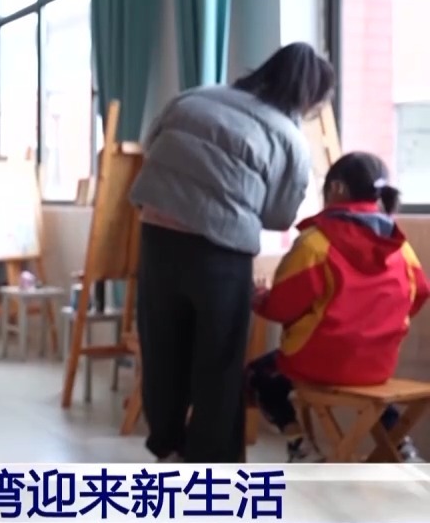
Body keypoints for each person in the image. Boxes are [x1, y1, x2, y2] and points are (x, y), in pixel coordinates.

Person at [129, 43, 336, 462]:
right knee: (219, 361)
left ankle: (166, 447)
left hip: (157, 237)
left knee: (162, 348)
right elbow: (280, 216)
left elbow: (151, 148)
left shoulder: (194, 97)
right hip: (220, 254)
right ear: (309, 98)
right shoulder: (289, 137)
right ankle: (210, 464)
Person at [247, 152, 428, 462]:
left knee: (258, 375)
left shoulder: (316, 243)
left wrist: (258, 297)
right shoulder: (400, 246)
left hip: (317, 363)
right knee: (370, 398)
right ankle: (401, 444)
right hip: (378, 365)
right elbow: (420, 292)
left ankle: (300, 445)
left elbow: (280, 307)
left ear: (337, 188)